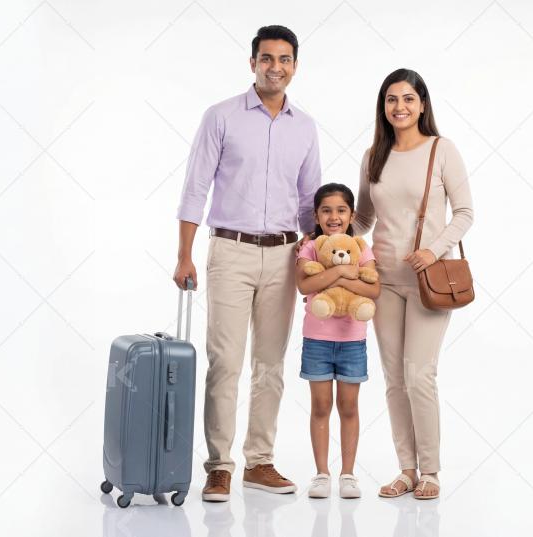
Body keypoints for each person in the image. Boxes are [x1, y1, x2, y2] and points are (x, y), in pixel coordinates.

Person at [173, 25, 321, 502]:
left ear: (295, 65)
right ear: (252, 62)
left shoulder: (305, 126)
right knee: (225, 362)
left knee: (271, 364)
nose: (275, 67)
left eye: (284, 59)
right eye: (266, 58)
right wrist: (184, 254)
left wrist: (317, 259)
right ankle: (219, 466)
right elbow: (196, 187)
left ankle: (260, 462)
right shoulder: (221, 117)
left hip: (284, 253)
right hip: (230, 250)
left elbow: (308, 202)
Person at [354, 68, 474, 499]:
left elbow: (464, 213)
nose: (399, 107)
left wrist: (434, 250)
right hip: (383, 281)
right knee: (393, 378)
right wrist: (329, 230)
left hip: (429, 282)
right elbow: (364, 219)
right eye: (391, 99)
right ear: (382, 107)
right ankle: (406, 469)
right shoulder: (373, 156)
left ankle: (432, 472)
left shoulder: (442, 150)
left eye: (408, 98)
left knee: (419, 374)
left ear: (422, 104)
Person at [295, 183, 380, 499]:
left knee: (348, 406)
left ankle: (348, 473)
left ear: (352, 214)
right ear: (316, 214)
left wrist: (332, 277)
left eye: (341, 210)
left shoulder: (361, 247)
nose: (333, 216)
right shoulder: (310, 248)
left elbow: (373, 290)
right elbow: (305, 285)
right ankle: (321, 473)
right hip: (317, 339)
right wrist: (345, 275)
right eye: (326, 210)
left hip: (352, 342)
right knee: (320, 406)